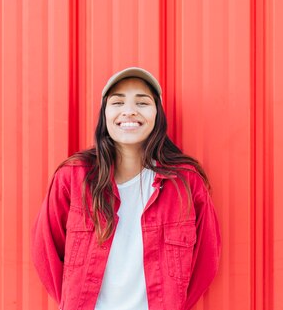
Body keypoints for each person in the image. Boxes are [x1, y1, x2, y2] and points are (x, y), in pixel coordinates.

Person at [31, 67, 221, 310]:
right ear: (105, 115)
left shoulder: (185, 182)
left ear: (157, 115)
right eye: (118, 102)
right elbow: (44, 252)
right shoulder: (72, 177)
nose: (129, 111)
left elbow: (206, 260)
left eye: (142, 102)